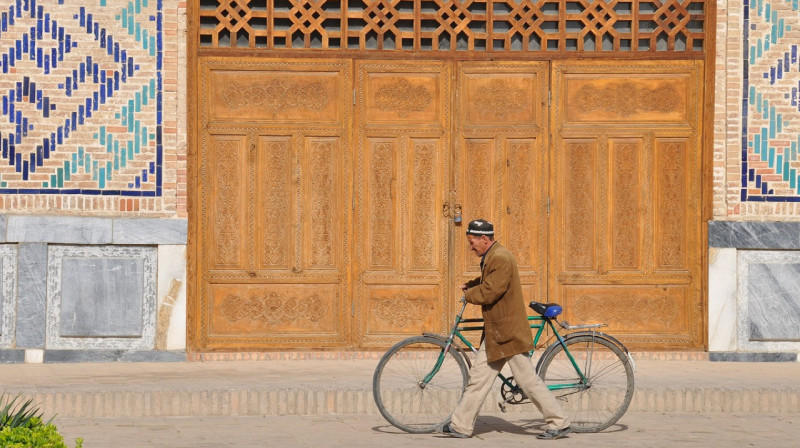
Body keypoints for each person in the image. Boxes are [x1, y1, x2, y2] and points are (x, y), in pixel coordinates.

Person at [438, 219, 572, 440]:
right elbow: (490, 281)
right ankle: (461, 425)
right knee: (478, 379)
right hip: (496, 332)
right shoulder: (493, 256)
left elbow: (491, 291)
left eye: (472, 242)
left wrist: (469, 294)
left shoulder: (501, 258)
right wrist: (473, 284)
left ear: (484, 239)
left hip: (507, 332)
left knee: (527, 381)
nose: (471, 247)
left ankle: (559, 422)